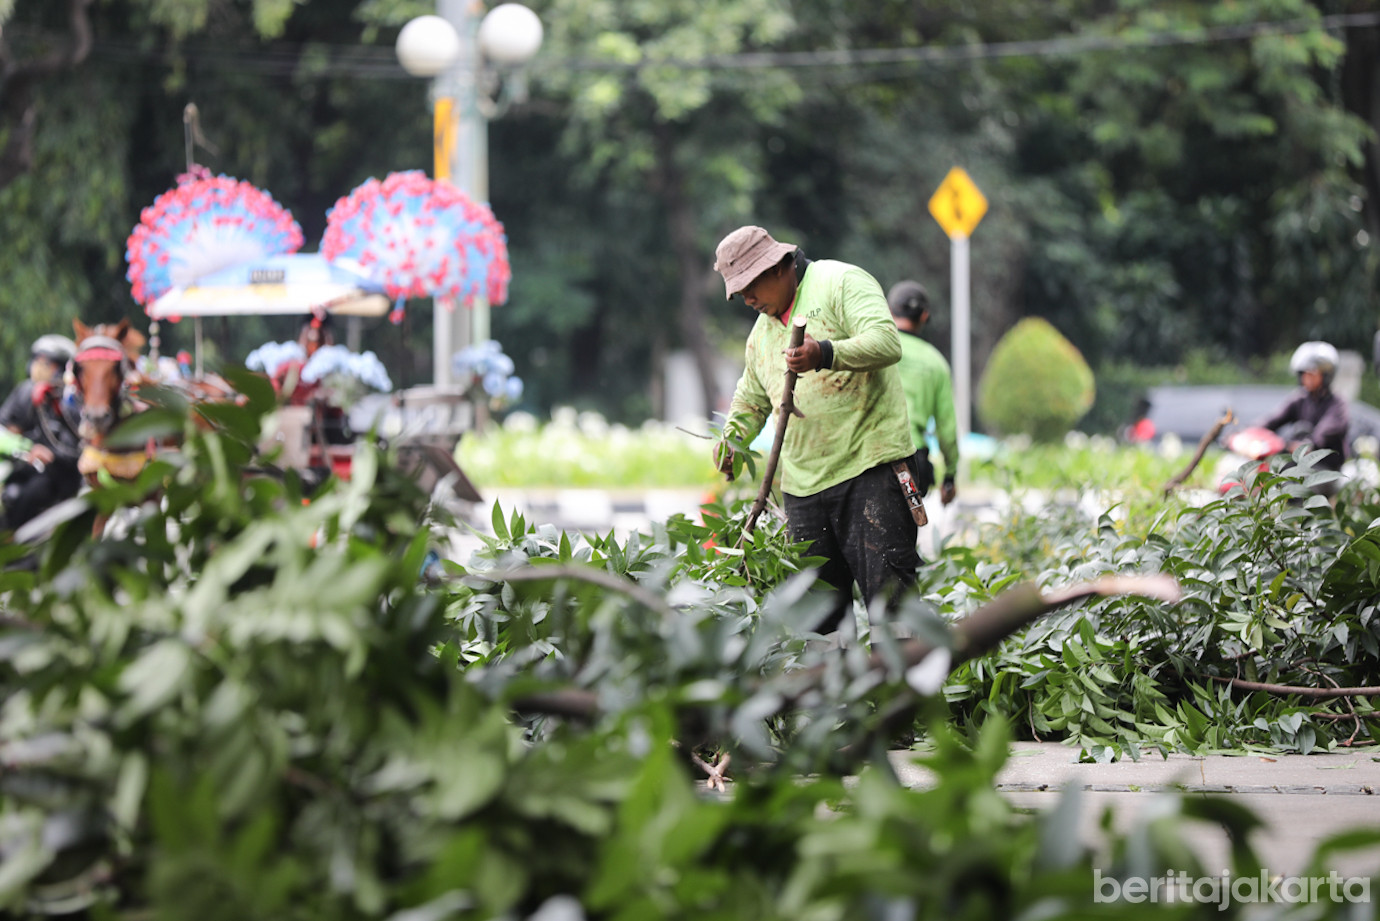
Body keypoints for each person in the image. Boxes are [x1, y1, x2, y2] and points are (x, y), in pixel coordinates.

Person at [711, 225, 922, 635]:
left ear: (778, 266)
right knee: (817, 630)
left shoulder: (839, 282)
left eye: (750, 285)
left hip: (870, 471)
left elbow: (887, 342)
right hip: (804, 492)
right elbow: (751, 399)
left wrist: (825, 353)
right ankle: (831, 698)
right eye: (739, 293)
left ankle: (901, 695)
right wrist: (733, 439)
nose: (747, 299)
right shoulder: (760, 337)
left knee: (894, 618)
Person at [886, 280, 959, 507]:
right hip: (912, 462)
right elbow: (947, 428)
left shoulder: (875, 348)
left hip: (872, 456)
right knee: (902, 538)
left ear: (889, 310)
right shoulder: (936, 363)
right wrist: (949, 476)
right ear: (925, 316)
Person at [0, 334, 83, 532]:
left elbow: (76, 446)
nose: (39, 367)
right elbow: (5, 428)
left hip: (60, 477)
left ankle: (18, 547)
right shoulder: (25, 392)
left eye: (47, 363)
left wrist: (51, 454)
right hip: (22, 468)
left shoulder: (72, 399)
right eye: (37, 361)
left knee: (33, 493)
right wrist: (26, 448)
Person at [1257, 340, 1350, 477]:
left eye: (1312, 373)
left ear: (1326, 375)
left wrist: (1307, 445)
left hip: (1326, 470)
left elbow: (1324, 432)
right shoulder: (1300, 399)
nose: (1307, 378)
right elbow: (1273, 420)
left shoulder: (1337, 404)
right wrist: (1246, 432)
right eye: (1304, 374)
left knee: (1293, 481)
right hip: (1300, 463)